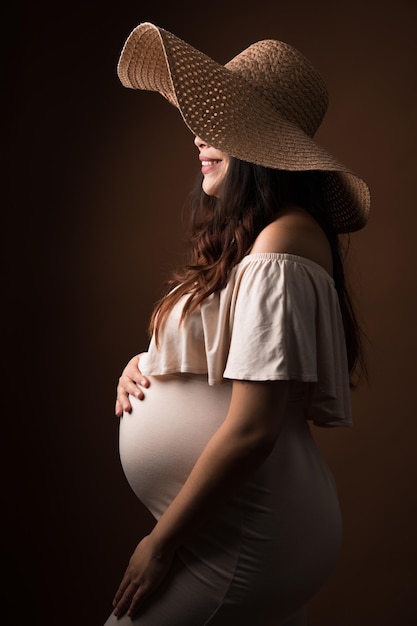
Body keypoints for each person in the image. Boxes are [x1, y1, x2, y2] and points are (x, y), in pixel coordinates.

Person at [104, 22, 370, 626]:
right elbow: (219, 357)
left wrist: (158, 546)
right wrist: (143, 365)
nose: (197, 135)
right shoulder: (257, 239)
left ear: (263, 144)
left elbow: (253, 428)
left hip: (248, 530)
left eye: (218, 122)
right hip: (239, 524)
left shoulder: (285, 244)